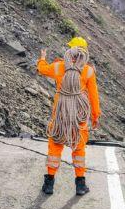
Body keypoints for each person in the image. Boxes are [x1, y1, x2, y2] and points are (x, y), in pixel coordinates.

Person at [37, 37, 101, 196]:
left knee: (55, 147)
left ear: (70, 50)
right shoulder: (88, 71)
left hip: (60, 116)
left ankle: (49, 184)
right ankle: (80, 185)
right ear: (84, 53)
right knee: (79, 149)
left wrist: (42, 58)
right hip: (78, 119)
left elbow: (42, 70)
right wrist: (95, 116)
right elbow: (93, 96)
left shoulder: (59, 67)